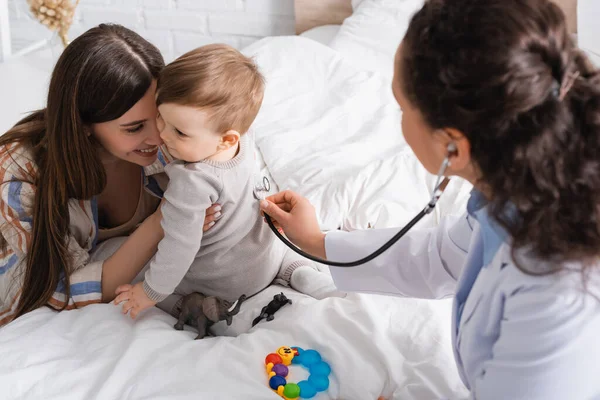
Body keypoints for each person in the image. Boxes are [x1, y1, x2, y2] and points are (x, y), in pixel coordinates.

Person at [259, 0, 600, 398]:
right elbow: (440, 258)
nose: (396, 118)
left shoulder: (556, 293)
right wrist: (317, 241)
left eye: (401, 108)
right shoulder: (516, 189)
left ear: (453, 148)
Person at [0, 24, 219, 327]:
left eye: (158, 116)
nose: (158, 137)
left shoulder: (175, 136)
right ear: (84, 124)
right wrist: (161, 221)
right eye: (134, 127)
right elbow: (56, 293)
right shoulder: (20, 173)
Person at [114, 44, 343, 319]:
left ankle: (194, 309)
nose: (162, 134)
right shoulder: (244, 141)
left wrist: (149, 292)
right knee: (279, 250)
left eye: (180, 132)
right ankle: (302, 274)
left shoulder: (191, 182)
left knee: (140, 266)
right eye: (160, 118)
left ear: (227, 138)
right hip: (266, 256)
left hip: (224, 283)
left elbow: (178, 248)